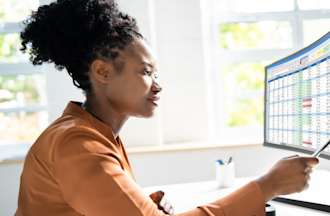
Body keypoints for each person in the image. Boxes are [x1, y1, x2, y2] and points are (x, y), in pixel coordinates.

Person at [15, 0, 319, 215]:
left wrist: (141, 205)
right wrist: (268, 186)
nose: (157, 85)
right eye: (146, 72)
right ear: (103, 73)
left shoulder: (93, 133)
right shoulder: (78, 145)